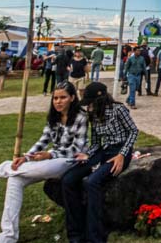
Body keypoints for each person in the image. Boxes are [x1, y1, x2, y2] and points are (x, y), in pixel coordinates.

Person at [0, 81, 88, 243]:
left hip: (72, 161)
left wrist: (50, 155)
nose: (58, 101)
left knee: (48, 167)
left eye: (63, 97)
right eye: (55, 98)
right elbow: (43, 140)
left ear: (72, 98)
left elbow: (76, 149)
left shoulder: (81, 116)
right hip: (52, 158)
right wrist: (27, 157)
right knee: (15, 180)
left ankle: (1, 169)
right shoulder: (53, 117)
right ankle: (7, 237)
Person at [61, 82, 138, 243]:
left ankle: (95, 237)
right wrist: (87, 155)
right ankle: (75, 234)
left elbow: (133, 131)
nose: (88, 107)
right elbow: (96, 142)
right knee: (68, 179)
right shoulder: (94, 114)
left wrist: (122, 154)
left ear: (100, 99)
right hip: (104, 150)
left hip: (120, 152)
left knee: (92, 182)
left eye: (90, 103)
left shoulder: (118, 109)